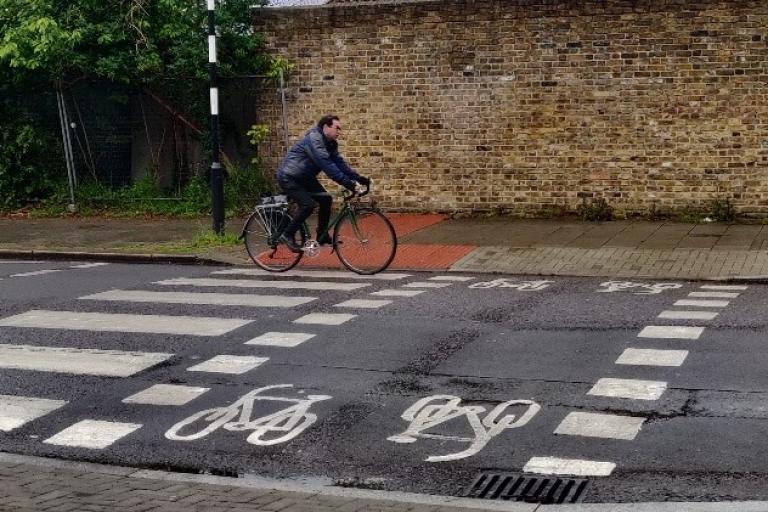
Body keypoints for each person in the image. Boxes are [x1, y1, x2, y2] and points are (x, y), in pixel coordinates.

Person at [275, 114, 370, 253]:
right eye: (337, 128)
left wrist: (358, 178)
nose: (339, 132)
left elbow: (339, 164)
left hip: (305, 177)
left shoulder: (330, 144)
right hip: (290, 177)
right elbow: (327, 165)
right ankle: (287, 234)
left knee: (326, 199)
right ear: (326, 127)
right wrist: (347, 183)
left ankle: (322, 234)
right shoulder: (315, 140)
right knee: (308, 205)